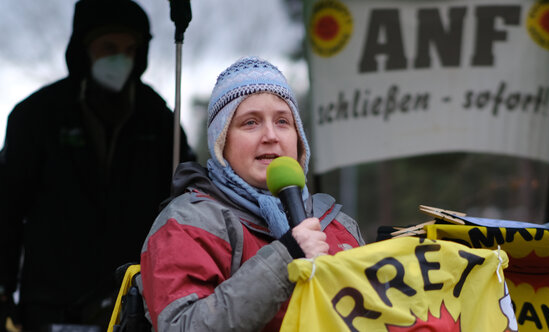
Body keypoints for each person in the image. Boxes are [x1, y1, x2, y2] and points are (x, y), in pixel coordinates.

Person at [0, 0, 196, 329]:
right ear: (84, 50)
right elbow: (5, 208)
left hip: (135, 303)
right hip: (50, 307)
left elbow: (189, 199)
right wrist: (3, 292)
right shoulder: (37, 116)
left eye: (130, 48)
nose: (120, 58)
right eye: (108, 47)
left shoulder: (159, 119)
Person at [139, 56, 365, 331]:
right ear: (221, 141)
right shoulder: (187, 225)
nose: (271, 135)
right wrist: (286, 257)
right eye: (250, 123)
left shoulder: (339, 225)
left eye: (283, 121)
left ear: (299, 138)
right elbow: (181, 326)